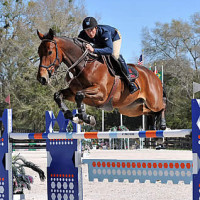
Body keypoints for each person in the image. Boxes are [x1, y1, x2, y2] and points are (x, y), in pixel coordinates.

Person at [78, 17, 137, 94]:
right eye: (87, 31)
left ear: (96, 28)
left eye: (91, 30)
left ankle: (130, 81)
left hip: (113, 37)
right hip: (100, 42)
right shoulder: (82, 35)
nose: (90, 33)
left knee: (114, 55)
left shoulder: (104, 32)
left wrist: (94, 50)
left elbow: (109, 50)